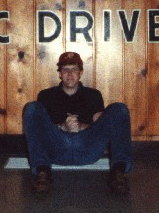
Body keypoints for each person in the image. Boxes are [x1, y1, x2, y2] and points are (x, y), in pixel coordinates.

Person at [23, 51, 133, 194]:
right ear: (60, 74)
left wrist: (81, 127)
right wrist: (63, 127)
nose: (69, 74)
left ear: (80, 73)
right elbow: (41, 130)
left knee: (120, 109)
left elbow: (101, 127)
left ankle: (118, 172)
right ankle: (42, 173)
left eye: (74, 69)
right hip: (58, 147)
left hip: (87, 146)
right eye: (65, 70)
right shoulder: (46, 96)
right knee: (31, 108)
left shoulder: (93, 95)